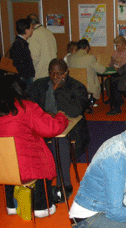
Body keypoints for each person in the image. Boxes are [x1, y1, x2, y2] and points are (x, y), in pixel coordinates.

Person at [0, 75, 68, 217]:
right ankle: (42, 207)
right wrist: (61, 116)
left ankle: (11, 205)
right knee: (38, 158)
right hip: (24, 167)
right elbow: (52, 129)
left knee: (9, 158)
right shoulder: (27, 108)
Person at [27, 58, 90, 202]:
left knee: (60, 140)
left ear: (66, 72)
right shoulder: (39, 84)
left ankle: (64, 185)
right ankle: (36, 184)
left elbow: (75, 111)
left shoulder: (77, 87)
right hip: (43, 125)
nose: (55, 77)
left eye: (59, 73)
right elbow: (29, 104)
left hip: (70, 130)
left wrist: (58, 91)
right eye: (52, 73)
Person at [67, 39, 106, 108]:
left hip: (73, 85)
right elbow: (101, 70)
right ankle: (91, 101)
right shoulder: (90, 58)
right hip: (87, 86)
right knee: (96, 83)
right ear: (87, 47)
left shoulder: (69, 57)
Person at [27, 13, 57, 81]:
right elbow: (55, 51)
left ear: (30, 24)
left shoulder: (33, 35)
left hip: (39, 74)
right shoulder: (49, 32)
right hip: (51, 72)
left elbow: (34, 57)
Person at [9, 18, 35, 88]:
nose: (32, 30)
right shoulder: (19, 43)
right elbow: (17, 62)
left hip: (24, 76)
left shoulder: (20, 42)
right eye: (31, 28)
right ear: (26, 30)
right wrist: (24, 74)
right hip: (23, 77)